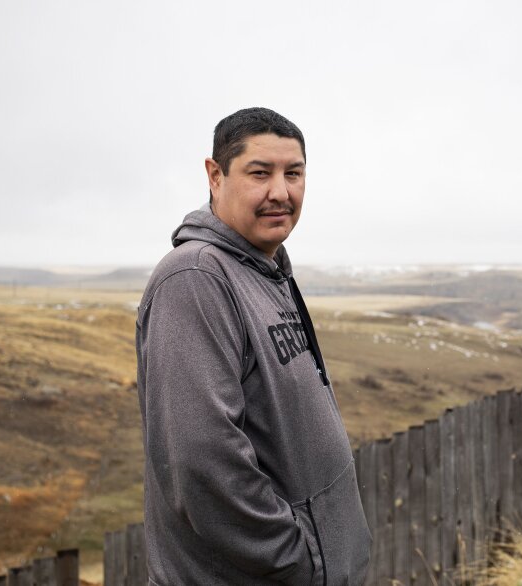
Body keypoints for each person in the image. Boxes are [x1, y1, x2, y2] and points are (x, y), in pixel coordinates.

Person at [135, 107, 371, 585]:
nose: (280, 192)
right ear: (215, 175)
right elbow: (201, 461)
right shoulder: (196, 279)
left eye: (294, 173)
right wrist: (298, 560)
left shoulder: (266, 270)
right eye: (260, 173)